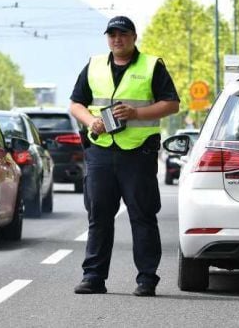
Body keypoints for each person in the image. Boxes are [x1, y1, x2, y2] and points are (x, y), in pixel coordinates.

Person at [69, 15, 179, 297]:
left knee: (142, 216)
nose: (117, 39)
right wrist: (89, 121)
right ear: (107, 38)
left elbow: (172, 104)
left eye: (123, 34)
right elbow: (75, 103)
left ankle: (146, 279)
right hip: (101, 151)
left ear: (134, 37)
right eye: (112, 35)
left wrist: (137, 113)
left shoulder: (152, 65)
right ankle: (93, 277)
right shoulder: (94, 65)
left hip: (137, 154)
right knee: (99, 215)